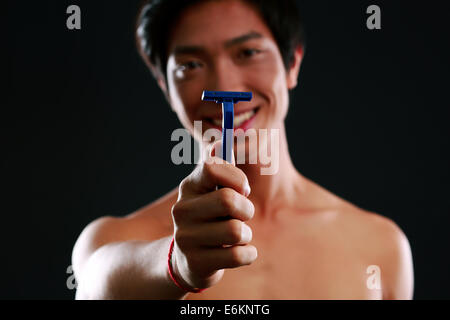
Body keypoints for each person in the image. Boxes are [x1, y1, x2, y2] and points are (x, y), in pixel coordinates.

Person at [72, 0, 414, 299]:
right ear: (164, 85)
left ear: (292, 62)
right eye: (190, 65)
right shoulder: (111, 241)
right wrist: (177, 263)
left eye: (248, 52)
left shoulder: (380, 246)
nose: (224, 87)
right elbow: (98, 285)